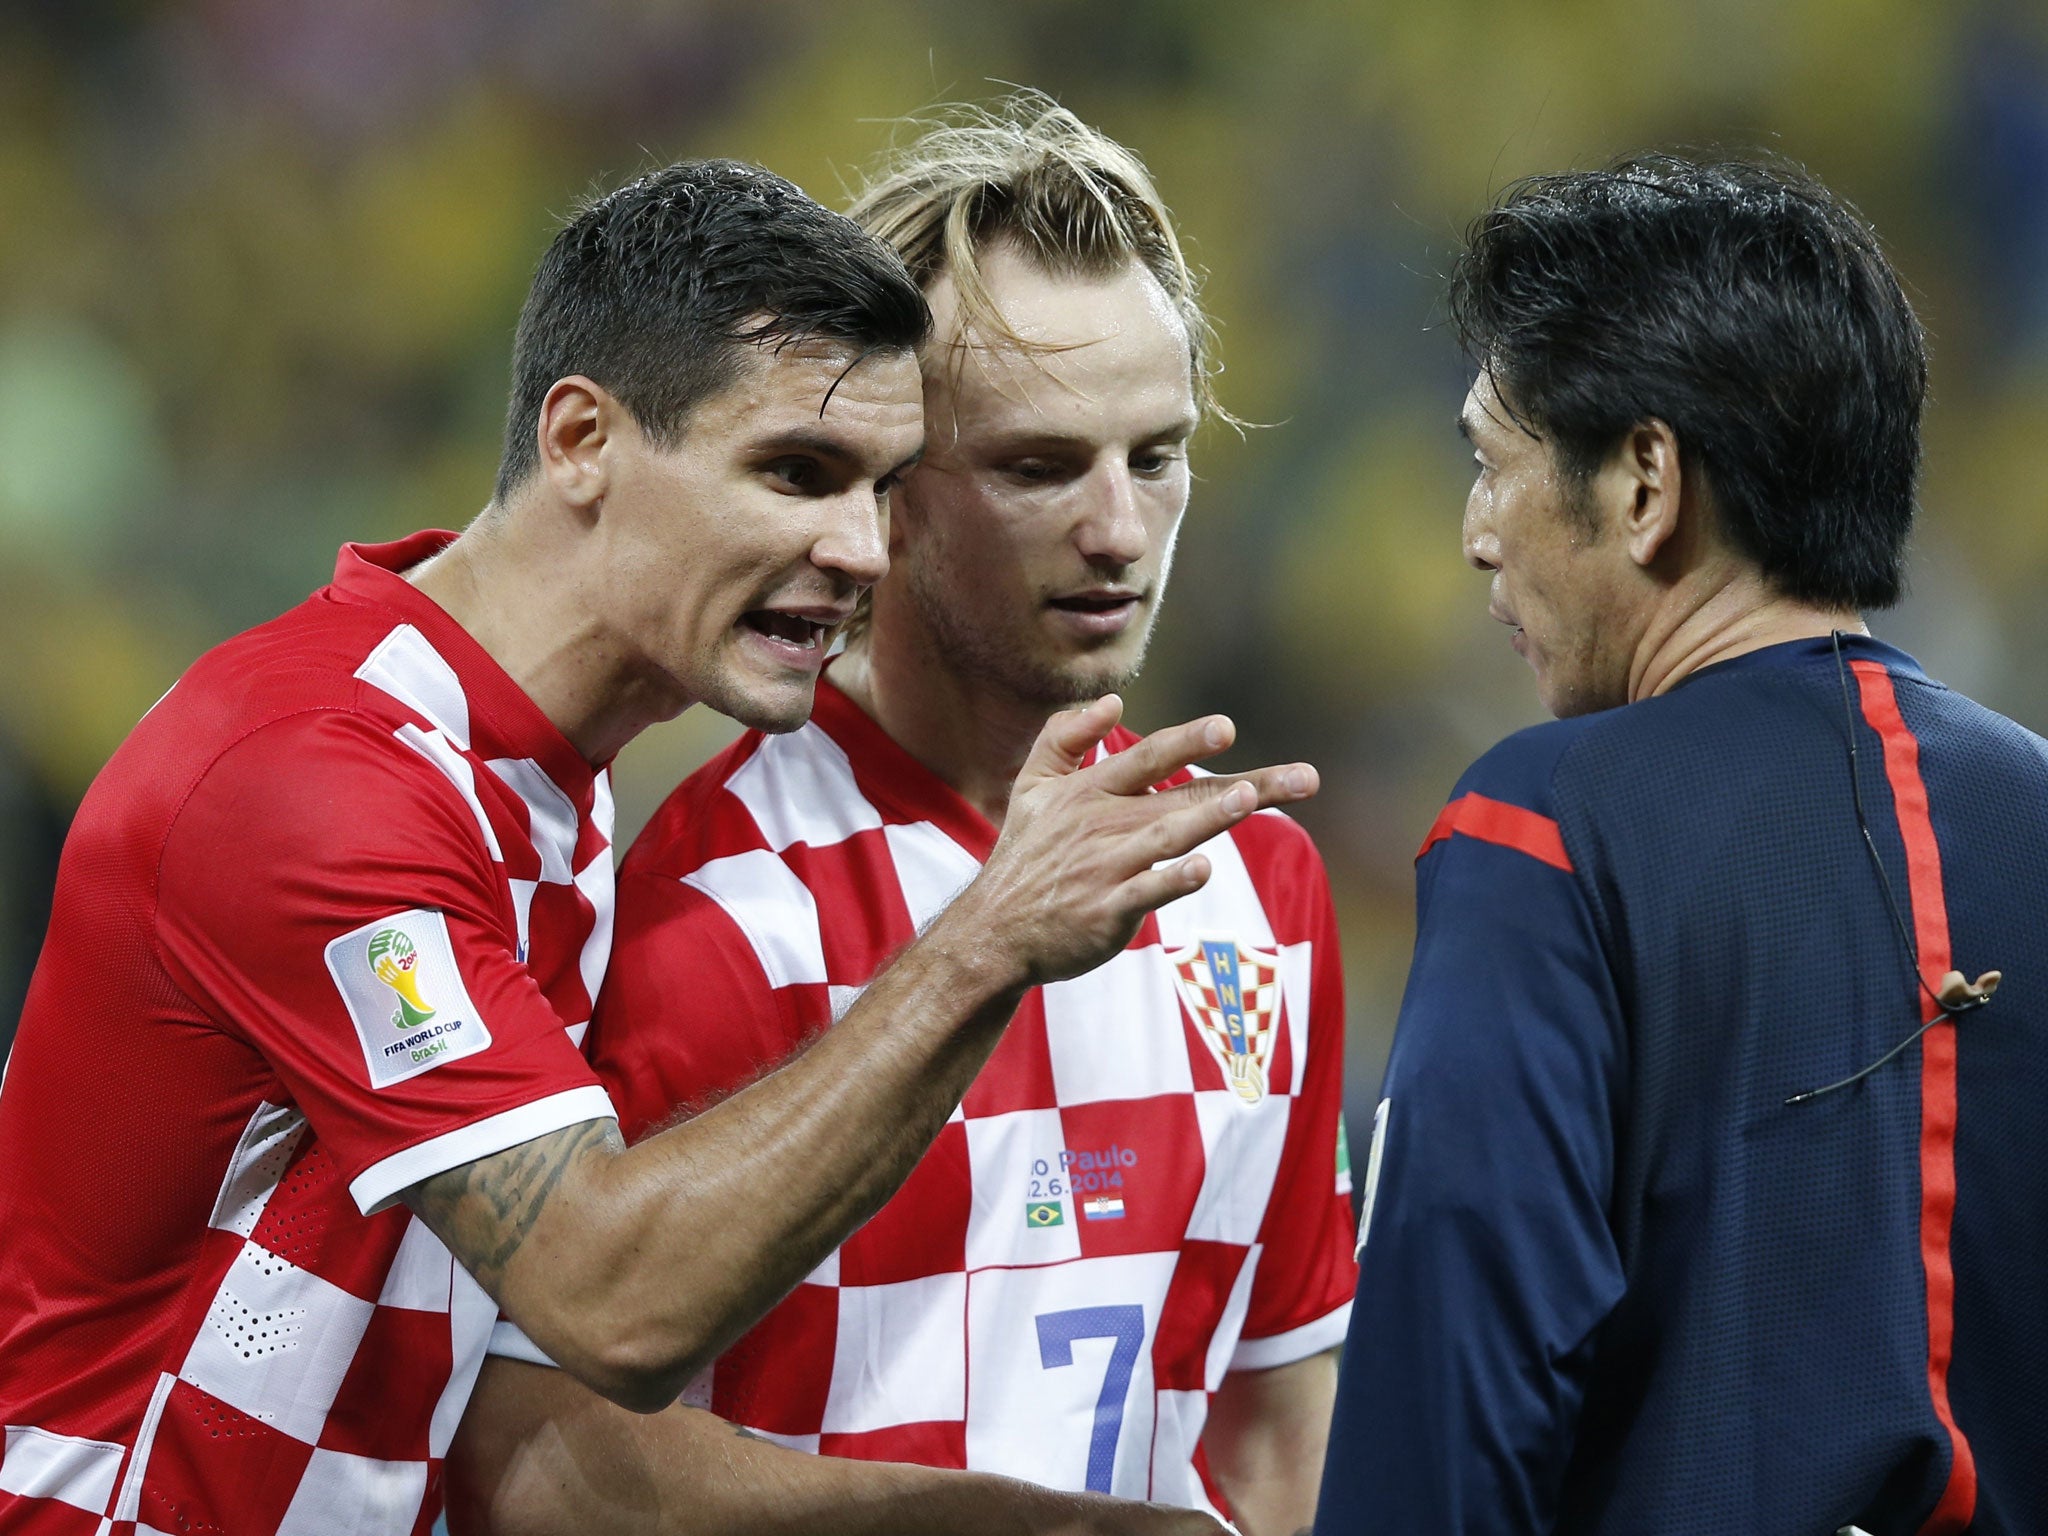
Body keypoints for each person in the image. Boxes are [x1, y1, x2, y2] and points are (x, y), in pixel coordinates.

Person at [0, 159, 1318, 1536]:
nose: (862, 549)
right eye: (796, 474)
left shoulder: (538, 775)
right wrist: (988, 942)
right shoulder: (315, 781)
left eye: (879, 486)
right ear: (579, 442)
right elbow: (613, 1303)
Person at [450, 99, 1356, 1536]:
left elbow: (1271, 1430)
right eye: (1037, 465)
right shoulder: (720, 906)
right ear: (886, 496)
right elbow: (546, 1473)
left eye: (1158, 455)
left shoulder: (1259, 888)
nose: (1119, 530)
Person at [1314, 156, 2048, 1535]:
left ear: (1647, 482)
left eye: (1492, 462)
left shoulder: (1543, 828)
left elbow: (1452, 1401)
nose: (1478, 535)